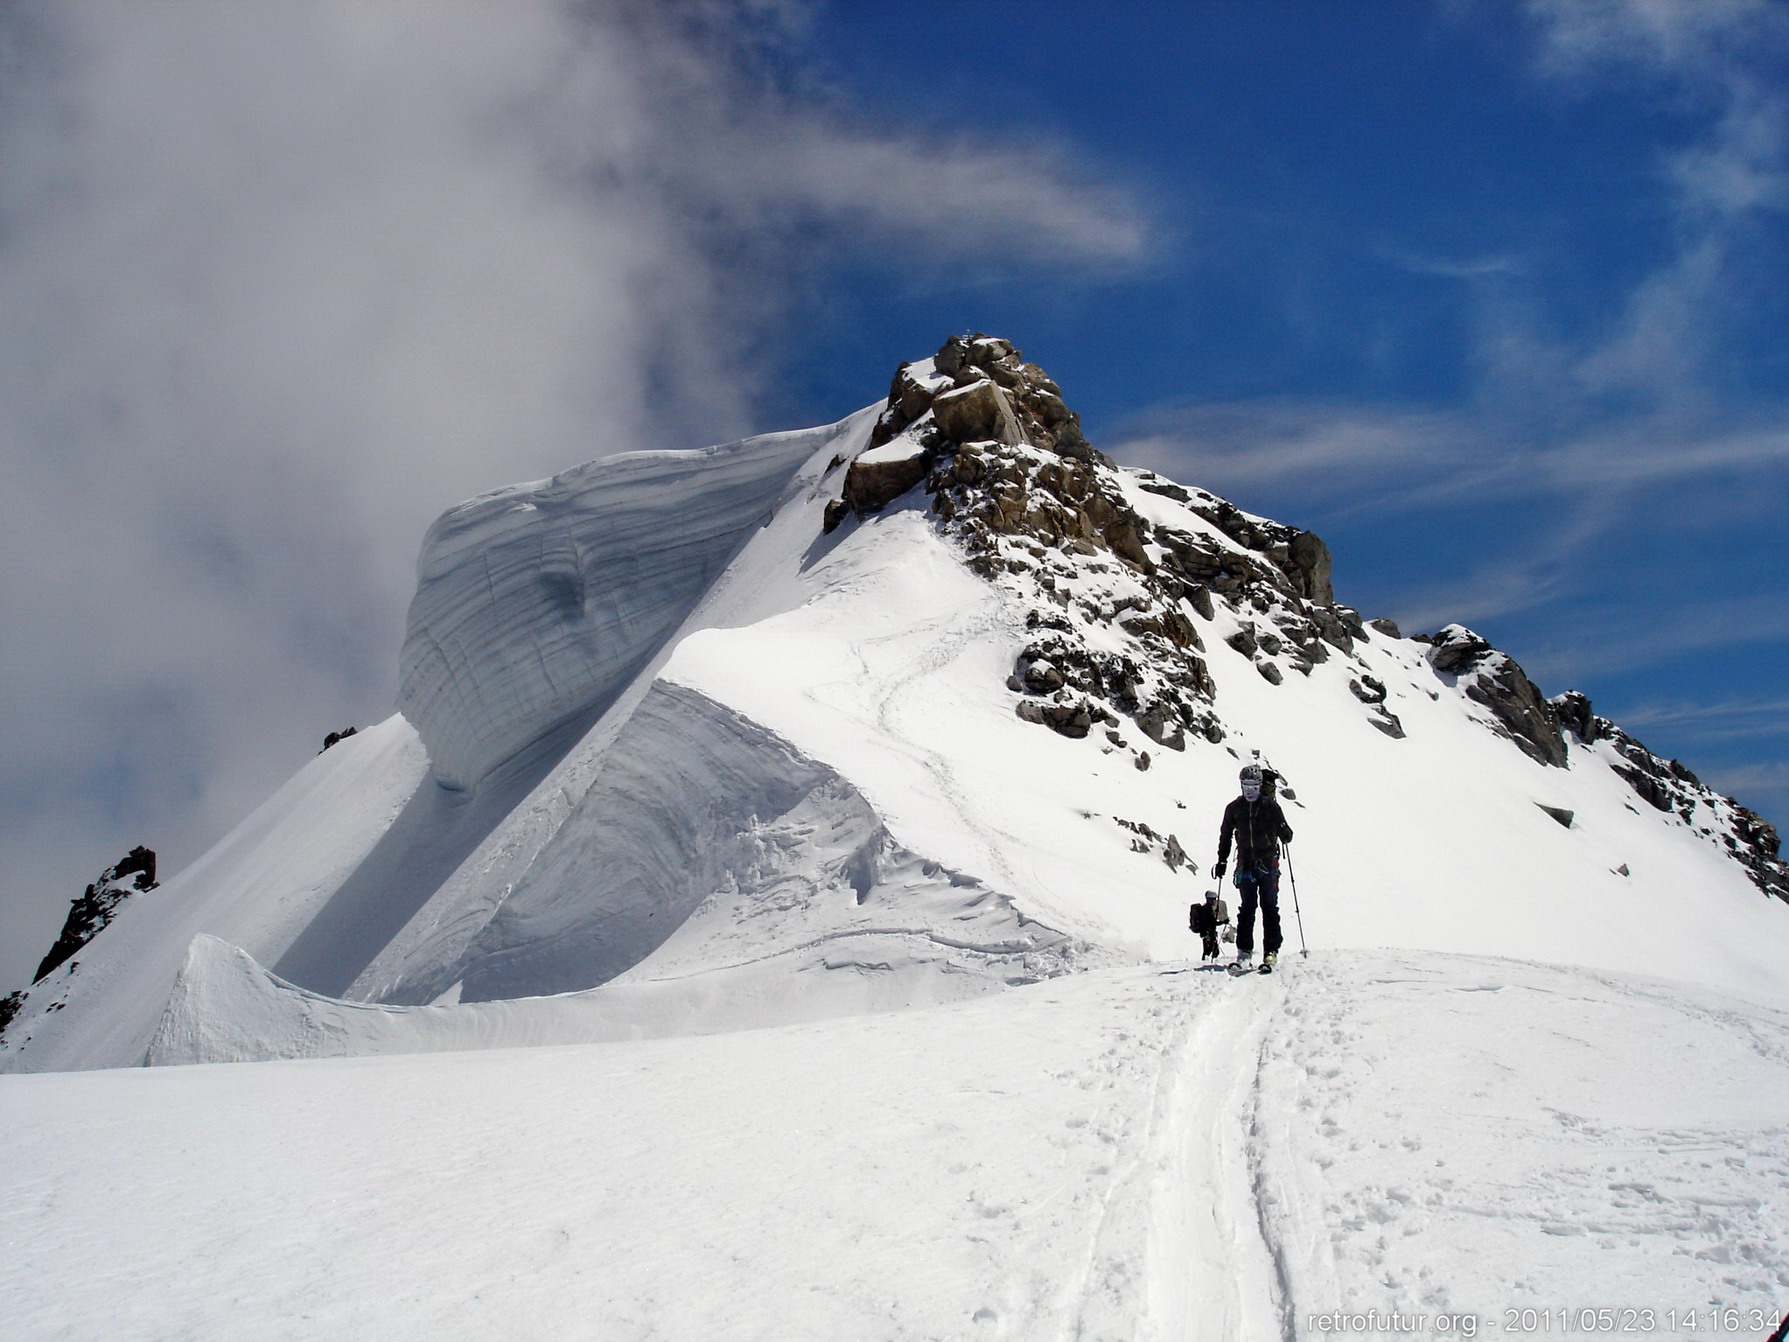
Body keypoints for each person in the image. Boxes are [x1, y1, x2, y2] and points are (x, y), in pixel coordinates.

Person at [1212, 763, 1293, 972]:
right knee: (1248, 907)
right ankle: (1245, 952)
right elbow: (1225, 836)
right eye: (1246, 785)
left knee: (1268, 907)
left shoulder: (1269, 807)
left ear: (1259, 786)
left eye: (1254, 786)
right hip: (1247, 862)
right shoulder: (1234, 808)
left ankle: (1270, 951)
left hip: (1266, 862)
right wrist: (1221, 860)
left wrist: (1284, 832)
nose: (1250, 790)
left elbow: (1287, 834)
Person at [1188, 890, 1230, 962]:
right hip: (1208, 933)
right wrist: (1223, 922)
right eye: (1214, 899)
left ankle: (1207, 963)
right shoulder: (1206, 910)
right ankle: (1206, 965)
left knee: (1211, 951)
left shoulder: (1208, 909)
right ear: (1210, 899)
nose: (1215, 901)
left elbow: (1211, 923)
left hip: (1208, 933)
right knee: (1209, 951)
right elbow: (1211, 923)